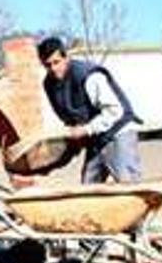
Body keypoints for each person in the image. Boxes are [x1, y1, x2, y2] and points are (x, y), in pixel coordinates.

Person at [37, 36, 142, 184]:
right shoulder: (49, 85)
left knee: (128, 184)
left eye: (56, 62)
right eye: (47, 65)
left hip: (118, 131)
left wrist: (85, 130)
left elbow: (115, 111)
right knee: (88, 186)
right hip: (95, 137)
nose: (53, 69)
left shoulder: (89, 76)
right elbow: (69, 119)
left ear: (66, 57)